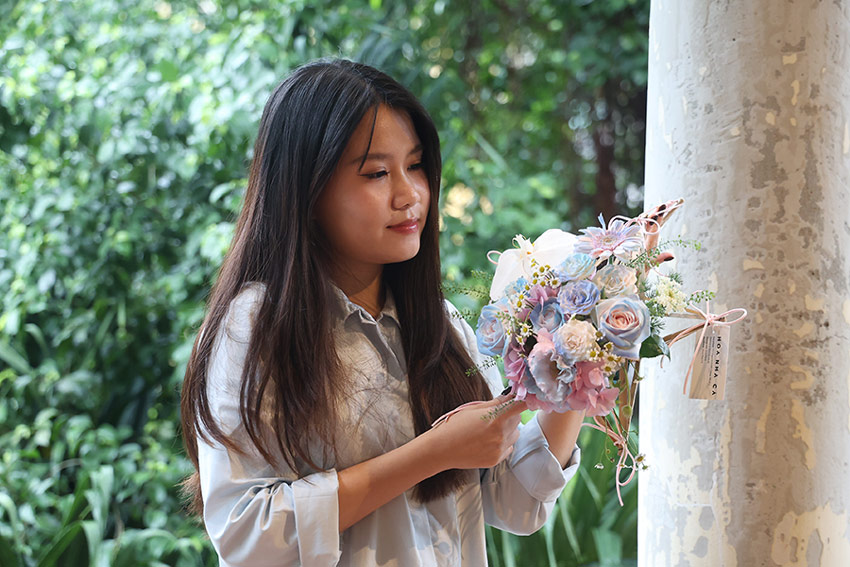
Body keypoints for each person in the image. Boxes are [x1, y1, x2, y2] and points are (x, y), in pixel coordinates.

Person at [180, 58, 585, 567]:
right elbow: (246, 534)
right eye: (376, 172)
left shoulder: (440, 324)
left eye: (415, 165)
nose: (410, 194)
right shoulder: (256, 327)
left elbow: (515, 505)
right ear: (307, 190)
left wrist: (580, 361)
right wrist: (431, 453)